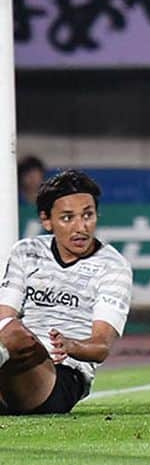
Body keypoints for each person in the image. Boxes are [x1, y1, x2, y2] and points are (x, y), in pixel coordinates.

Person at [0, 170, 132, 415]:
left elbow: (101, 347)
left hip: (63, 376)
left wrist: (70, 346)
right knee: (12, 331)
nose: (80, 227)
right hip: (13, 362)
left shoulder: (113, 266)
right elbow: (4, 317)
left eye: (88, 215)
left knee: (16, 334)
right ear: (46, 220)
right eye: (67, 218)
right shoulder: (26, 251)